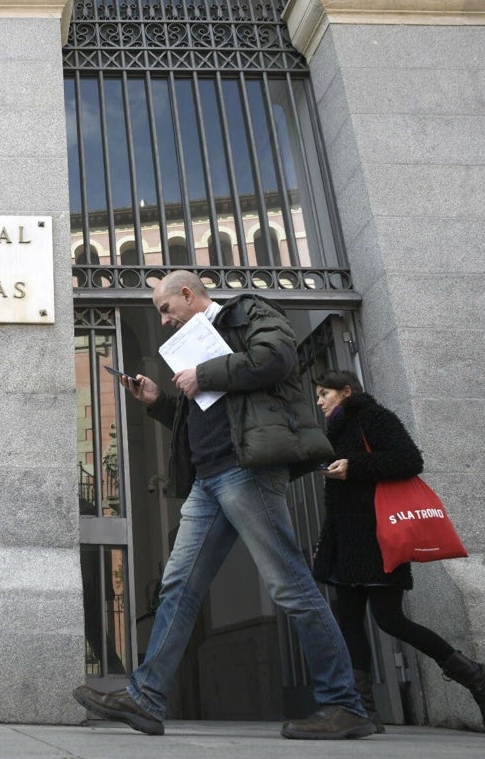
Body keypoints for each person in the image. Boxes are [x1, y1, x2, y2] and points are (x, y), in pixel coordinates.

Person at [72, 270, 373, 740]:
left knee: (290, 586)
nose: (165, 321)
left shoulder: (247, 313)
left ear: (188, 294)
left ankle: (343, 704)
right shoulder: (195, 348)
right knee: (177, 586)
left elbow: (276, 359)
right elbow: (208, 417)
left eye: (166, 309)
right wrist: (156, 402)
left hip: (247, 470)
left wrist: (204, 373)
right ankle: (146, 696)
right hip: (209, 479)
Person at [312, 370, 485, 732]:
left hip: (378, 539)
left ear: (346, 392)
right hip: (348, 542)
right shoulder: (336, 429)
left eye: (325, 393)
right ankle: (362, 711)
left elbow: (408, 460)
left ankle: (474, 677)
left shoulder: (372, 417)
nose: (320, 401)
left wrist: (355, 466)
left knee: (390, 619)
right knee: (348, 621)